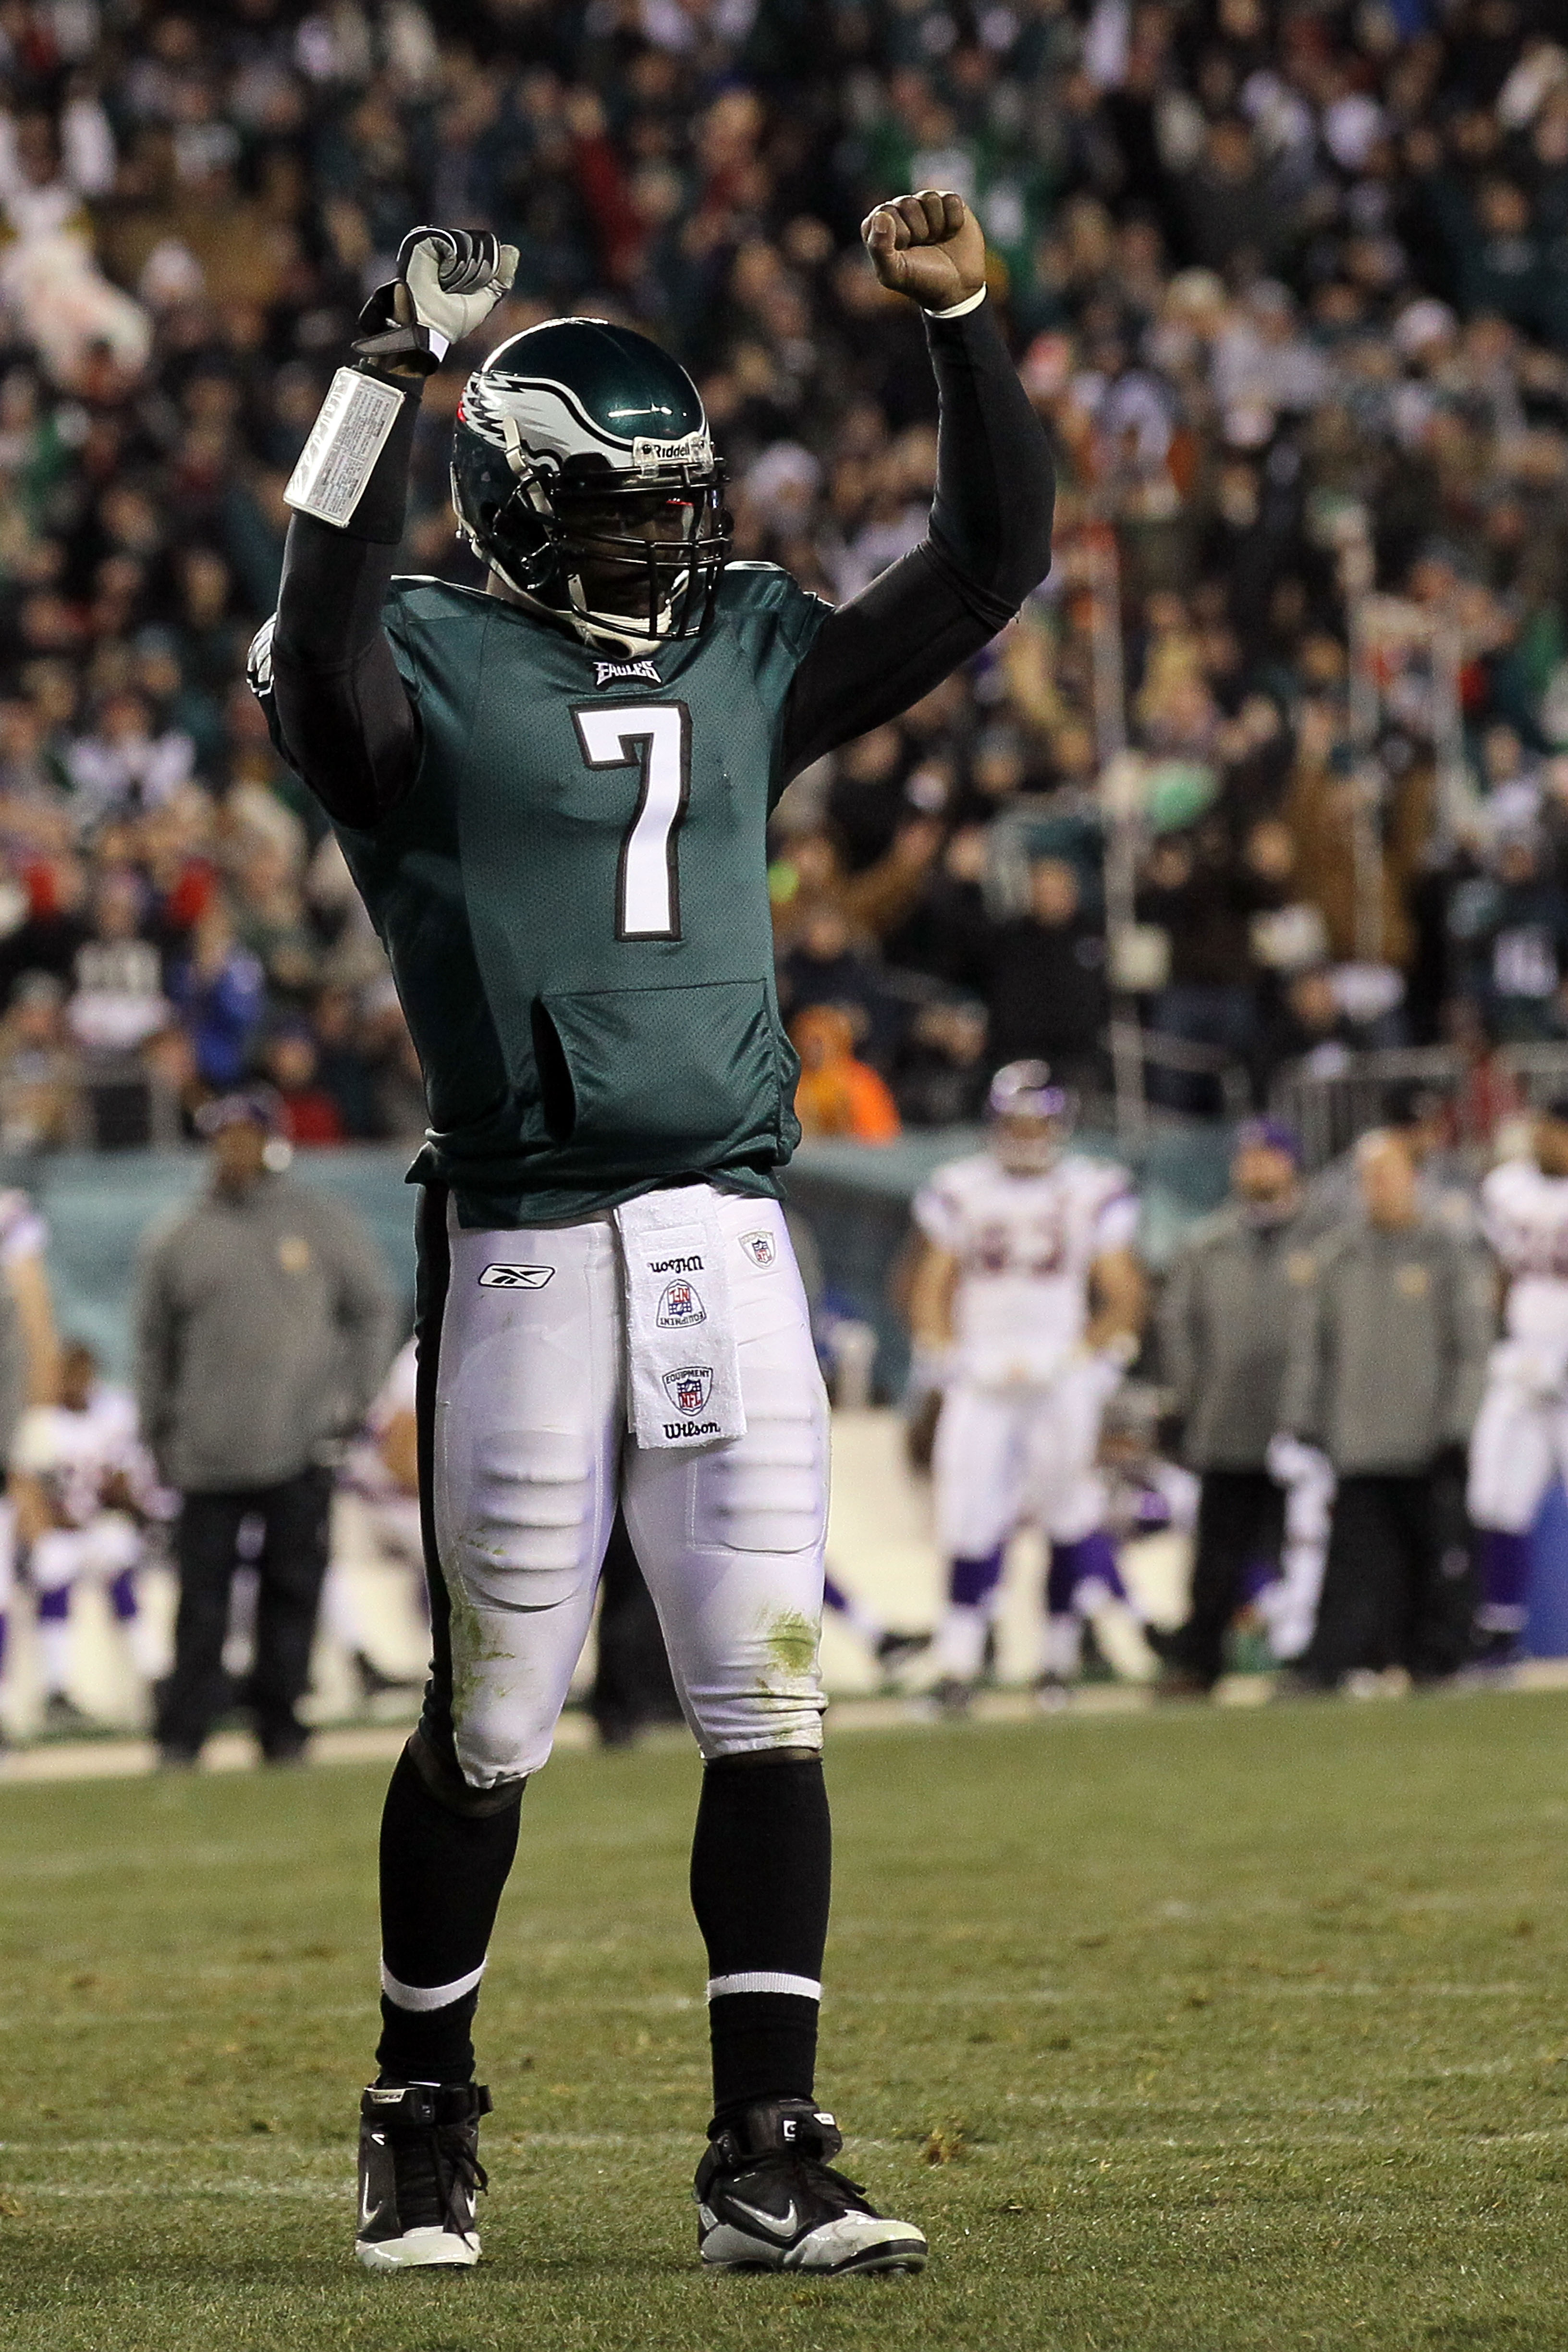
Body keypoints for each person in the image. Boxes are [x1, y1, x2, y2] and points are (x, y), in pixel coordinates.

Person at [251, 201, 1053, 2274]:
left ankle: (765, 2147)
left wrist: (963, 323)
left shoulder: (744, 644)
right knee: (497, 1711)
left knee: (772, 1687)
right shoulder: (417, 656)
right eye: (615, 509)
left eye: (678, 507)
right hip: (528, 1246)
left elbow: (987, 564)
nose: (660, 545)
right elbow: (309, 637)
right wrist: (373, 377)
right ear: (515, 504)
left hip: (734, 1246)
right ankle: (420, 2112)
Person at [134, 1090, 396, 1765]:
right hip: (206, 1451)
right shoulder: (180, 1234)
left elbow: (373, 1308)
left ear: (273, 1143)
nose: (236, 1150)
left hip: (299, 1443)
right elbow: (152, 1344)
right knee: (201, 1604)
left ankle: (281, 1727)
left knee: (292, 1593)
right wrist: (156, 1429)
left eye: (248, 1136)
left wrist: (351, 1401)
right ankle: (183, 1734)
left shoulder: (319, 1221)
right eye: (224, 1137)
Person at [907, 1061, 1146, 1711]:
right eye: (1017, 1121)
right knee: (967, 1515)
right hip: (983, 1372)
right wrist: (940, 1350)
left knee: (1068, 1510)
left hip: (1057, 1372)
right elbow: (931, 1282)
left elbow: (1124, 1290)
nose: (1028, 1134)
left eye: (1038, 1121)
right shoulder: (961, 1186)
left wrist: (1086, 1355)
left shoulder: (1091, 1187)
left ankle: (1057, 1662)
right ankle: (958, 1663)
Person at [1280, 1130, 1489, 1690]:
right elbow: (1312, 1349)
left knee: (1436, 1554)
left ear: (1413, 1179)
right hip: (1357, 1437)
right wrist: (1302, 1420)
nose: (1379, 1187)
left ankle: (1436, 1659)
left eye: (1389, 1174)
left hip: (1427, 1437)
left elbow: (1471, 1348)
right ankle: (1335, 1662)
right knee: (1351, 1560)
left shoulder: (1447, 1252)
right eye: (1369, 1177)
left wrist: (1459, 1426)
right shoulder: (1336, 1258)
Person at [1154, 1118, 1330, 1693]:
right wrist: (1192, 1394)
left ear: (1291, 1163)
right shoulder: (1208, 1243)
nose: (1255, 1169)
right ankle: (1199, 1660)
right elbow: (1178, 1326)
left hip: (1307, 1425)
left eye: (1267, 1157)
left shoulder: (1328, 1239)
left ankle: (1315, 1657)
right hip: (1228, 1418)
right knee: (1218, 1553)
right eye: (1247, 1158)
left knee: (1311, 1549)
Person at [13, 1337, 167, 1732]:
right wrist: (51, 1518)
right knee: (52, 1567)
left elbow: (125, 1480)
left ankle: (153, 1676)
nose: (77, 1385)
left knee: (121, 1568)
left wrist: (114, 1496)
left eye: (83, 1376)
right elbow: (26, 1488)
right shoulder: (42, 1424)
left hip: (101, 1525)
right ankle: (57, 1689)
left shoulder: (115, 1413)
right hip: (62, 1531)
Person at [1467, 1099, 1568, 1663]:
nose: (1544, 1143)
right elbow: (1499, 1273)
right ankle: (1499, 1630)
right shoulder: (1507, 1188)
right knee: (1496, 1499)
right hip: (1523, 1369)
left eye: (1556, 1134)